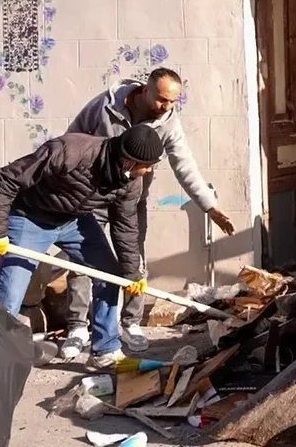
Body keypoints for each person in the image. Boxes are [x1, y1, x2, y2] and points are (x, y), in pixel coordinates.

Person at [60, 67, 234, 356]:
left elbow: (184, 164)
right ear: (145, 91)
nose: (166, 107)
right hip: (92, 198)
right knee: (81, 261)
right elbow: (70, 142)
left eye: (173, 102)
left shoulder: (168, 123)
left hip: (131, 201)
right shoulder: (104, 107)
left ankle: (131, 323)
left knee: (134, 259)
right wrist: (70, 187)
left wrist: (209, 206)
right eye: (162, 100)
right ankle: (78, 326)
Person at [0, 125, 165, 369]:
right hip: (30, 217)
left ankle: (105, 350)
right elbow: (6, 178)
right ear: (129, 161)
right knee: (11, 290)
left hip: (74, 221)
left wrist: (131, 273)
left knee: (110, 276)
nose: (149, 170)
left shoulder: (131, 182)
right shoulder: (70, 151)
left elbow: (125, 227)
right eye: (147, 165)